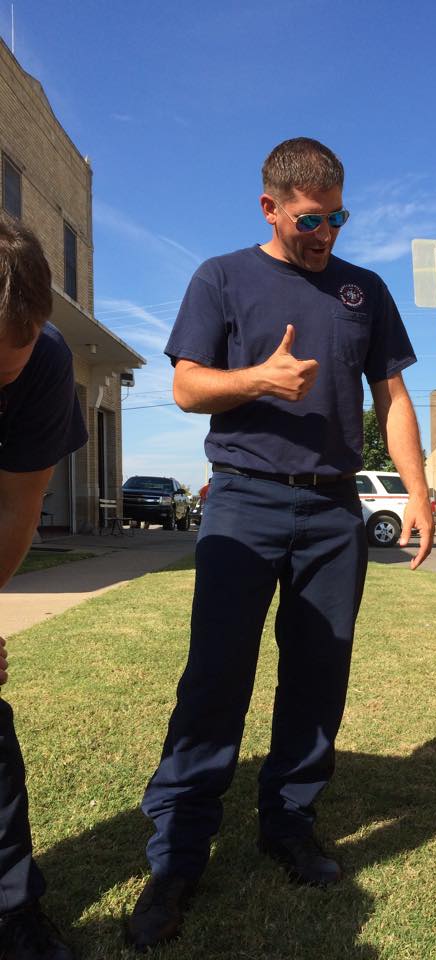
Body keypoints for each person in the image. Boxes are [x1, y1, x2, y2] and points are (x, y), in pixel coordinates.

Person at [128, 138, 434, 951]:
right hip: (245, 500)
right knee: (216, 676)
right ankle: (179, 851)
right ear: (270, 207)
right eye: (310, 218)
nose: (325, 231)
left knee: (317, 677)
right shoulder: (222, 278)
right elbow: (187, 384)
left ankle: (288, 822)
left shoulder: (361, 290)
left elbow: (393, 394)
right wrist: (258, 379)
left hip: (335, 511)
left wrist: (416, 488)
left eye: (337, 216)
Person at [0, 212, 87, 959]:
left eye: (17, 346)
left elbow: (16, 508)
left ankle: (12, 910)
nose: (7, 368)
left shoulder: (48, 363)